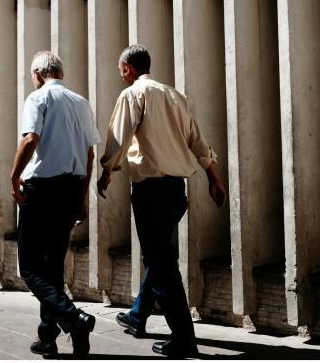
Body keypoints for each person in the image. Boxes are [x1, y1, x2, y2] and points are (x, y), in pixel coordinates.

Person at [97, 45, 227, 359]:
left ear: (127, 68)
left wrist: (107, 172)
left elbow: (119, 137)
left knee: (162, 263)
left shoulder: (133, 95)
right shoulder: (174, 95)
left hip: (151, 192)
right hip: (176, 192)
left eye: (121, 71)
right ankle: (138, 316)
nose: (121, 76)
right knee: (161, 256)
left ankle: (183, 338)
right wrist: (214, 178)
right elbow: (197, 139)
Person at [11, 51, 100, 359]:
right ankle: (49, 338)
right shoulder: (81, 102)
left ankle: (74, 319)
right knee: (53, 267)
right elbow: (89, 156)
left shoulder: (38, 98)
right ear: (59, 72)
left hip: (42, 190)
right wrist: (82, 198)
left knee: (30, 267)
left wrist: (14, 177)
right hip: (71, 189)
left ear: (38, 73)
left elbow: (30, 139)